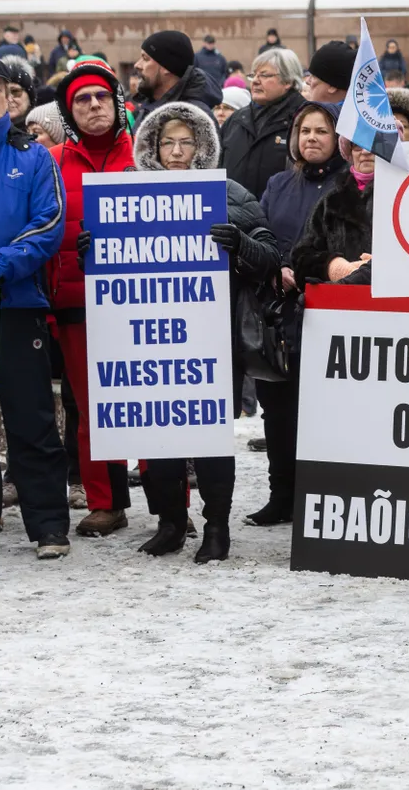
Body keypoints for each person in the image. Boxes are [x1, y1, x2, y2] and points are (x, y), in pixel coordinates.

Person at [122, 103, 278, 560]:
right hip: (151, 339)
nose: (176, 151)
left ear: (202, 146)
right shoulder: (129, 195)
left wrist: (240, 243)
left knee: (209, 437)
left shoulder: (226, 192)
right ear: (152, 146)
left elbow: (269, 254)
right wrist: (92, 251)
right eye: (167, 142)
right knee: (158, 435)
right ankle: (170, 522)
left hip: (212, 338)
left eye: (186, 141)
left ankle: (216, 527)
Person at [0, 57, 71, 560]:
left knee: (31, 417)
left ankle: (47, 526)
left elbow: (50, 222)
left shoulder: (34, 157)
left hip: (16, 305)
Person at [46, 62, 136, 537]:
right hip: (76, 304)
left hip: (144, 303)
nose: (94, 106)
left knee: (152, 400)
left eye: (101, 96)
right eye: (83, 100)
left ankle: (170, 502)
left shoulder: (145, 153)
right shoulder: (53, 160)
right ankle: (106, 502)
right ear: (70, 111)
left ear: (116, 102)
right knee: (92, 409)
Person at [251, 101, 349, 525]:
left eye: (321, 131)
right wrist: (277, 265)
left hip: (332, 312)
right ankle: (282, 494)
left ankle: (321, 496)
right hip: (280, 316)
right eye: (304, 131)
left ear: (338, 140)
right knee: (278, 409)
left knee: (326, 410)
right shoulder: (277, 184)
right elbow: (261, 233)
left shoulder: (351, 188)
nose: (311, 138)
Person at [219, 48, 308, 201]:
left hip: (279, 219)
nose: (255, 81)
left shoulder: (304, 119)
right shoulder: (236, 120)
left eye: (265, 75)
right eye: (253, 75)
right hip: (233, 218)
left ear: (288, 81)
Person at [291, 127, 377, 287]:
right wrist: (334, 267)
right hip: (340, 304)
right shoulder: (329, 201)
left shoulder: (407, 195)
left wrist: (380, 268)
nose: (365, 151)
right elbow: (301, 258)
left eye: (374, 144)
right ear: (349, 152)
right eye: (357, 145)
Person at [133, 30, 223, 119]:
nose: (137, 65)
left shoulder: (190, 118)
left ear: (167, 66)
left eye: (145, 59)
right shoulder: (148, 106)